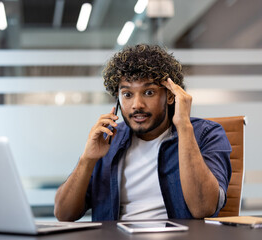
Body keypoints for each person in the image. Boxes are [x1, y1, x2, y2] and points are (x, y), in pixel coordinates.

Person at [54, 44, 232, 222]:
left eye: (148, 92)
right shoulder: (109, 139)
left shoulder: (206, 134)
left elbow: (203, 208)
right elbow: (64, 214)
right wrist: (87, 159)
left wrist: (184, 125)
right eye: (127, 94)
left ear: (171, 96)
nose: (137, 104)